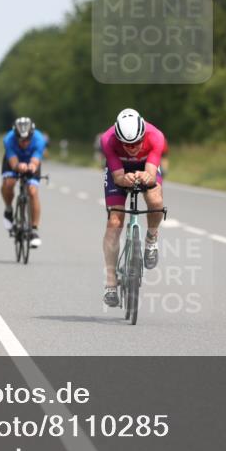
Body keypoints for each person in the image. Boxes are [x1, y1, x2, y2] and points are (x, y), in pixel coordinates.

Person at [100, 108, 166, 307]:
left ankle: (151, 238)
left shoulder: (156, 136)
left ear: (143, 134)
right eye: (127, 144)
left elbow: (152, 174)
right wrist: (123, 178)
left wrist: (146, 177)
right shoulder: (108, 140)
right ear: (118, 138)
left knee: (155, 201)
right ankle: (111, 282)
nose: (132, 148)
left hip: (147, 166)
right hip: (119, 168)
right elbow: (118, 177)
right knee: (114, 221)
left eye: (137, 143)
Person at [1, 117, 47, 248]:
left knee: (32, 191)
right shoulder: (8, 139)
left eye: (27, 139)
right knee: (8, 183)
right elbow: (13, 162)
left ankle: (34, 230)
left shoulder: (39, 140)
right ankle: (9, 209)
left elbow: (35, 161)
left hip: (31, 159)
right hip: (14, 159)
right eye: (21, 139)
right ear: (15, 135)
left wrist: (32, 166)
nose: (24, 142)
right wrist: (18, 166)